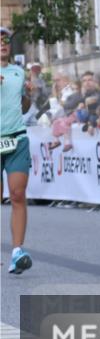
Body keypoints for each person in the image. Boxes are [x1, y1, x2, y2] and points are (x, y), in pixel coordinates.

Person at [1, 27, 33, 274]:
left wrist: (27, 96)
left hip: (17, 139)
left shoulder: (18, 72)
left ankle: (17, 252)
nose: (2, 44)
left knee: (18, 194)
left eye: (5, 41)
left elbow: (22, 107)